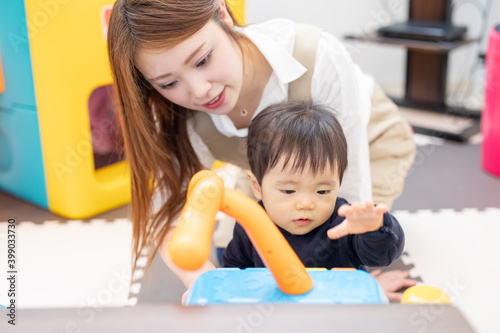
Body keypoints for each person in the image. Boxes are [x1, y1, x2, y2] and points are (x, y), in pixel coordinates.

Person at [106, 0, 416, 301]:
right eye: (169, 82)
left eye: (202, 60)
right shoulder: (174, 113)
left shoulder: (317, 57)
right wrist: (204, 281)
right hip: (269, 170)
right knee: (234, 252)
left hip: (369, 144)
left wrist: (351, 278)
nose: (200, 91)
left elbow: (346, 192)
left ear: (223, 15)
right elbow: (170, 210)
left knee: (333, 238)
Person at [223, 101, 405, 275]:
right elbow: (235, 271)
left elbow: (383, 256)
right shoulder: (251, 224)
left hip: (335, 305)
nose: (306, 204)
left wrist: (375, 230)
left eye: (322, 191)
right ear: (257, 186)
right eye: (288, 191)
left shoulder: (343, 224)